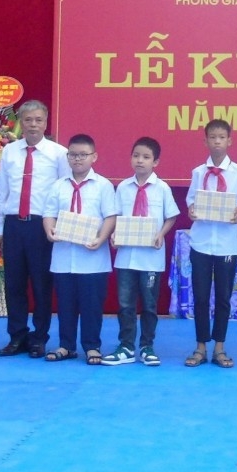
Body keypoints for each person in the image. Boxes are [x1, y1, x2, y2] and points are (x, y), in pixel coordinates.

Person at [0, 100, 69, 359]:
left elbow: (64, 191)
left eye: (38, 120)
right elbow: (3, 191)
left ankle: (39, 338)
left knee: (41, 284)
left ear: (46, 122)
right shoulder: (9, 151)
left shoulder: (58, 153)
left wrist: (57, 226)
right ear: (21, 123)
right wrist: (0, 228)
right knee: (14, 284)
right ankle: (17, 336)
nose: (33, 125)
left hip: (41, 225)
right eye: (28, 120)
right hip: (14, 224)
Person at [43, 134, 118, 364]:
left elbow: (110, 216)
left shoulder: (103, 185)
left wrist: (101, 238)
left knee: (92, 306)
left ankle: (92, 346)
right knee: (65, 304)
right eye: (73, 155)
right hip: (64, 256)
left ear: (94, 157)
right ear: (67, 157)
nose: (77, 159)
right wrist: (49, 231)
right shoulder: (58, 186)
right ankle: (66, 345)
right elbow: (49, 214)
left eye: (83, 155)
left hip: (93, 257)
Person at [104, 137, 178, 367]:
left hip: (151, 258)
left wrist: (161, 234)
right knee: (125, 304)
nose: (140, 160)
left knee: (149, 305)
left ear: (155, 162)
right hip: (126, 256)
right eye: (136, 156)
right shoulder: (123, 188)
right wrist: (113, 234)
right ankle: (126, 346)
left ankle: (147, 346)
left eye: (146, 157)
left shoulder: (162, 188)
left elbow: (171, 216)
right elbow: (116, 216)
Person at [185, 119, 237, 369]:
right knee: (201, 296)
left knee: (223, 297)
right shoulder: (198, 172)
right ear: (205, 141)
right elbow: (191, 200)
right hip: (201, 242)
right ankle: (201, 346)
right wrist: (192, 210)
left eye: (221, 137)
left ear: (229, 141)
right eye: (212, 137)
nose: (217, 142)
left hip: (227, 243)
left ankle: (220, 347)